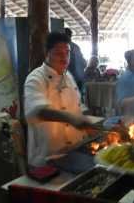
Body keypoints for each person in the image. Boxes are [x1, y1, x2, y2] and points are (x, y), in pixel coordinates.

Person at [24, 32, 95, 167]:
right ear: (47, 53)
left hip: (75, 149)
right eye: (58, 53)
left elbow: (78, 106)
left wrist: (90, 123)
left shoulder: (68, 76)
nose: (64, 58)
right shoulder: (35, 78)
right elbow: (38, 111)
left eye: (67, 53)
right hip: (49, 156)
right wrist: (70, 118)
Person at [64, 28, 87, 92]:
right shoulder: (76, 46)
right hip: (79, 78)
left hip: (70, 78)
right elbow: (84, 63)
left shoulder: (64, 47)